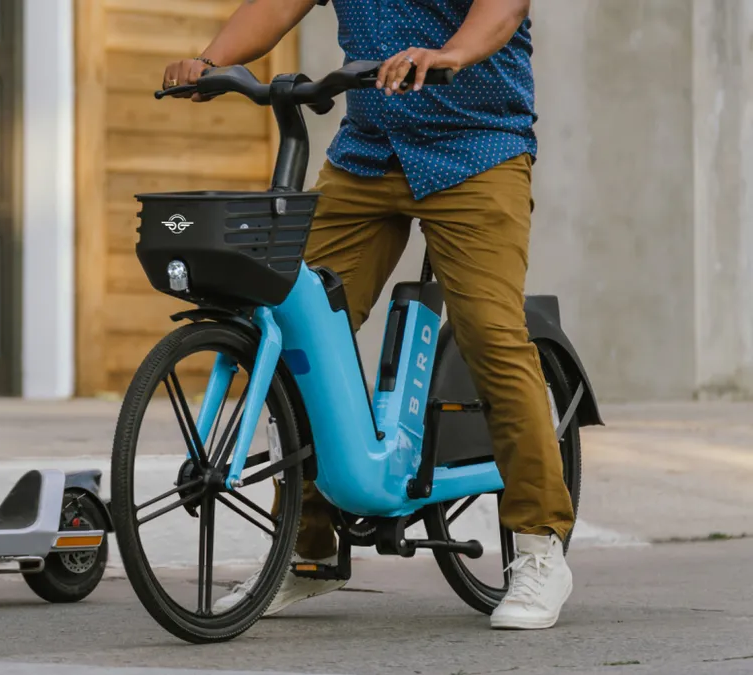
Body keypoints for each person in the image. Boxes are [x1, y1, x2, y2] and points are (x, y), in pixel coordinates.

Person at [162, 0, 574, 630]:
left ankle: (541, 543)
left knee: (490, 335)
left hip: (477, 150)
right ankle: (307, 551)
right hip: (369, 152)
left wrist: (452, 54)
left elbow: (504, 5)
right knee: (295, 328)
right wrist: (211, 61)